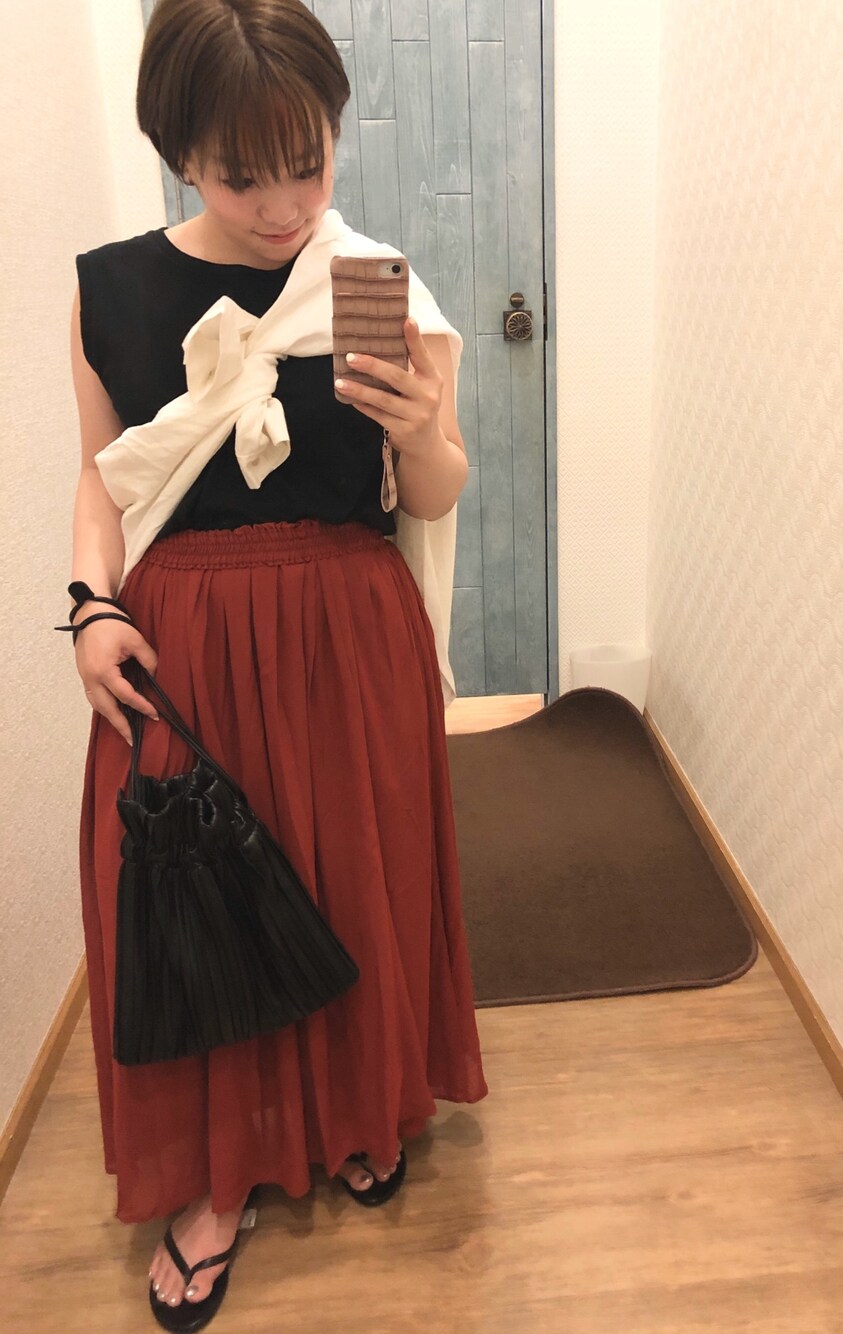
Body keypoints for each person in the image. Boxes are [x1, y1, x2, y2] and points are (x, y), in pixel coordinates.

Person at [65, 0, 489, 1326]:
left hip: (348, 638)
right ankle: (215, 1175)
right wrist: (89, 607)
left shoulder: (368, 279)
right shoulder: (112, 289)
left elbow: (433, 493)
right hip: (185, 650)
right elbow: (102, 476)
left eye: (308, 163)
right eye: (243, 175)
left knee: (352, 875)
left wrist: (423, 429)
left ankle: (359, 1107)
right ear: (179, 149)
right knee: (193, 903)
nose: (285, 206)